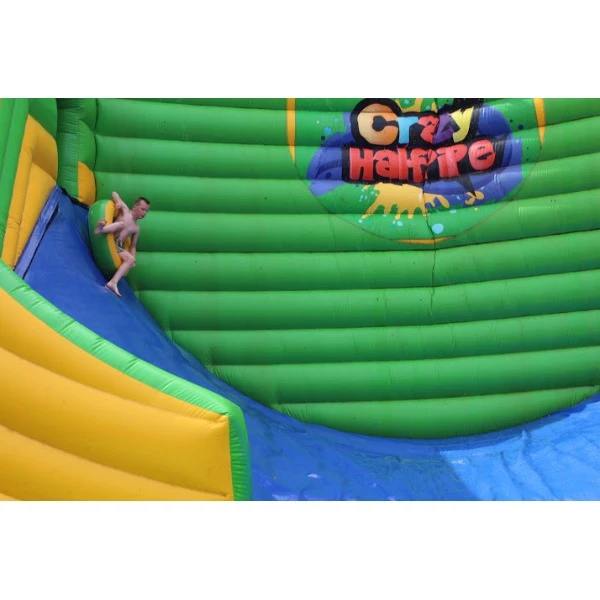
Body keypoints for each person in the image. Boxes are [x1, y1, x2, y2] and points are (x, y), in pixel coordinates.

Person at [94, 191, 151, 297]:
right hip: (110, 236)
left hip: (117, 246)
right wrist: (118, 202)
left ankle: (113, 282)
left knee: (131, 259)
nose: (144, 213)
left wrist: (133, 258)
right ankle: (101, 229)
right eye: (142, 209)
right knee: (121, 224)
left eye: (146, 211)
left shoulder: (136, 228)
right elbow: (114, 193)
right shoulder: (125, 210)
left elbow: (133, 245)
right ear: (135, 207)